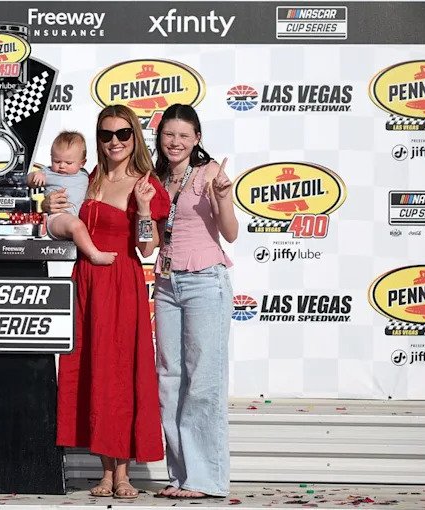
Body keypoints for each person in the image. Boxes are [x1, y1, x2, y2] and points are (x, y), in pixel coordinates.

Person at [53, 105, 171, 499]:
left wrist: (140, 209)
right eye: (106, 135)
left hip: (121, 283)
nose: (115, 141)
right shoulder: (88, 180)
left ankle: (122, 473)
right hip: (86, 282)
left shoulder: (146, 184)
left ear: (135, 137)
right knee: (91, 371)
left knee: (119, 373)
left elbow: (147, 245)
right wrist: (51, 210)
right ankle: (104, 471)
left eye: (122, 133)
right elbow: (60, 222)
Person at [151, 104, 237, 499]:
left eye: (184, 135)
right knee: (169, 381)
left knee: (202, 381)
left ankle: (205, 479)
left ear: (197, 138)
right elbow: (147, 240)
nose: (176, 142)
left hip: (205, 281)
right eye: (169, 134)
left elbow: (230, 233)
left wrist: (223, 197)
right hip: (167, 283)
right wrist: (139, 210)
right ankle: (181, 474)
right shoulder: (154, 178)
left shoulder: (210, 174)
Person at [27, 131, 117, 265]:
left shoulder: (84, 174)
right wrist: (36, 176)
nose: (62, 166)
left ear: (82, 162)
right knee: (76, 226)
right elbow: (28, 180)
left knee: (80, 225)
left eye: (68, 162)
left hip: (76, 218)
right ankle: (94, 255)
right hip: (56, 218)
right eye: (56, 161)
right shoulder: (48, 172)